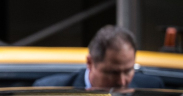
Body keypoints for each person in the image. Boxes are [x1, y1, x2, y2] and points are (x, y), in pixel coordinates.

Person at [33, 25, 164, 89]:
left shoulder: (151, 88)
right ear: (90, 63)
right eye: (113, 72)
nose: (122, 82)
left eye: (128, 70)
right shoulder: (50, 91)